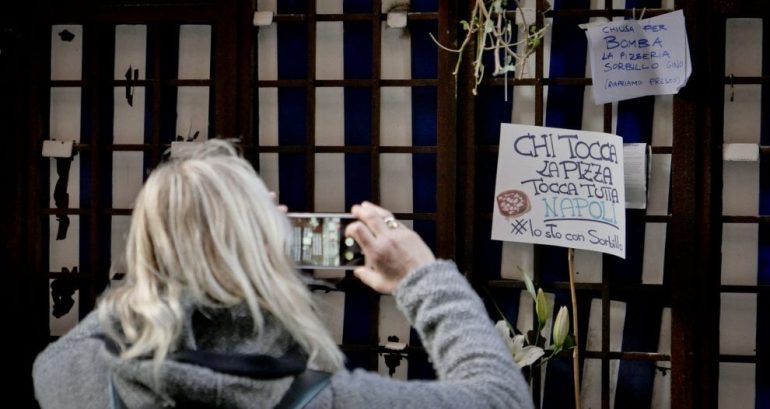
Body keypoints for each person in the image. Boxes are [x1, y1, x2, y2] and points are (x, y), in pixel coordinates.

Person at [32, 139, 534, 409]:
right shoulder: (326, 399)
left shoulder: (71, 376)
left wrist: (174, 248)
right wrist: (420, 275)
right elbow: (500, 399)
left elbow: (119, 321)